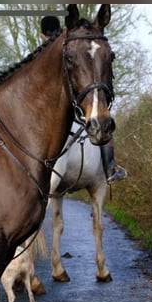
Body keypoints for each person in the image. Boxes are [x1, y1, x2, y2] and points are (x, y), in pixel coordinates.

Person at [41, 15, 127, 184]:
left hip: (46, 108)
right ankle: (109, 170)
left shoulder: (42, 53)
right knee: (103, 126)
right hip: (70, 104)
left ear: (42, 34)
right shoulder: (70, 45)